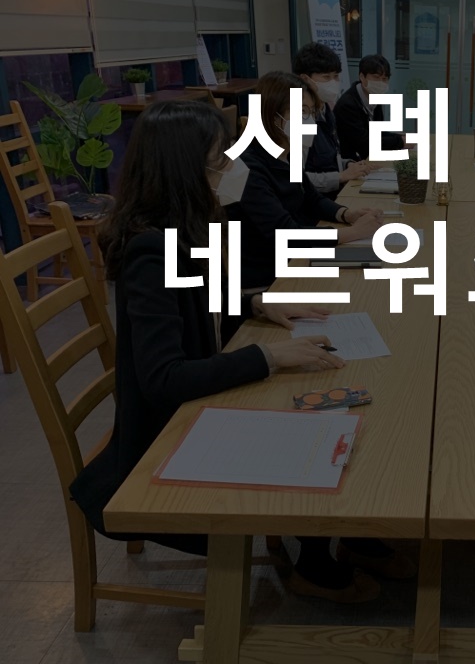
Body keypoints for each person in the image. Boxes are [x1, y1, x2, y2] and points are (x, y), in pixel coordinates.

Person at [69, 100, 381, 603]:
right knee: (319, 420)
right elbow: (163, 379)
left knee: (328, 398)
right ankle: (315, 559)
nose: (233, 168)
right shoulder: (150, 251)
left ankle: (348, 539)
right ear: (183, 172)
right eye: (220, 159)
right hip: (165, 434)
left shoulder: (184, 227)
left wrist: (256, 303)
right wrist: (270, 357)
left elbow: (197, 299)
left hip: (191, 408)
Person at [234, 71, 383, 292]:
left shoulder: (288, 153)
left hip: (297, 259)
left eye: (311, 112)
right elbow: (285, 234)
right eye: (302, 111)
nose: (309, 120)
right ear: (273, 116)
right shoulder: (248, 167)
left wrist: (346, 214)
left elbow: (312, 199)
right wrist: (352, 233)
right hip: (269, 280)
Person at [293, 42, 374, 199]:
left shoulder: (326, 109)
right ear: (305, 79)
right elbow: (296, 179)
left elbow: (330, 158)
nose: (333, 82)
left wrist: (348, 164)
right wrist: (341, 176)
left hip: (334, 194)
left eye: (336, 76)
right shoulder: (297, 119)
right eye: (326, 77)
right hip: (314, 201)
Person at [334, 54, 407, 162]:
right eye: (376, 77)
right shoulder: (347, 105)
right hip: (352, 163)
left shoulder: (374, 97)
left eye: (384, 79)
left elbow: (378, 133)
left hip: (368, 160)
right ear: (362, 77)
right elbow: (364, 143)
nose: (381, 83)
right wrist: (400, 142)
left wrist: (400, 137)